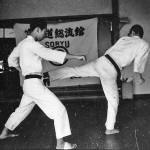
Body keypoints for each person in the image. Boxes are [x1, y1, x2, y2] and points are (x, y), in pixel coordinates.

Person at [0, 19, 86, 149]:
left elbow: (11, 59)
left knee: (21, 110)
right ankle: (61, 144)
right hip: (34, 85)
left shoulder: (22, 44)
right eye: (44, 32)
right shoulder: (32, 44)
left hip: (29, 84)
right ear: (38, 29)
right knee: (59, 110)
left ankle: (4, 133)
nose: (45, 35)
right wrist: (75, 57)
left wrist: (22, 71)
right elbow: (50, 54)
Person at [49, 24, 150, 135]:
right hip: (110, 69)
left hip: (101, 62)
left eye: (130, 33)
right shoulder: (143, 44)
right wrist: (139, 77)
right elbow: (138, 63)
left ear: (134, 33)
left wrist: (116, 72)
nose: (129, 35)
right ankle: (109, 128)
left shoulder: (124, 39)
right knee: (113, 101)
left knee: (76, 70)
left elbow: (110, 52)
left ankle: (49, 75)